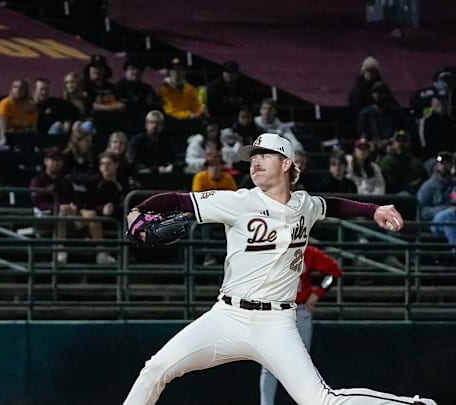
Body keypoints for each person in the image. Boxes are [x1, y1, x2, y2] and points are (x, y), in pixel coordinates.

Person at [123, 132, 436, 405]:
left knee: (320, 400)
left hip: (276, 323)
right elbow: (179, 201)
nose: (255, 161)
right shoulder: (238, 202)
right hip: (228, 317)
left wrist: (374, 209)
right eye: (253, 156)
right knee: (156, 369)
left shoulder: (305, 205)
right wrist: (138, 211)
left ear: (287, 163)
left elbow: (335, 205)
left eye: (265, 155)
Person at [259, 244, 343, 405]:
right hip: (274, 311)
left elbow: (334, 271)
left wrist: (317, 294)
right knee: (269, 363)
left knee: (301, 365)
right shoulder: (268, 250)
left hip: (300, 309)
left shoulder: (308, 252)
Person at [206, 60, 254, 127]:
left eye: (232, 72)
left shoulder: (244, 86)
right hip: (219, 117)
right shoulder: (214, 87)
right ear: (223, 73)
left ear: (237, 73)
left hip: (238, 117)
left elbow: (248, 103)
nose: (230, 75)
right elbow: (211, 106)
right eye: (227, 72)